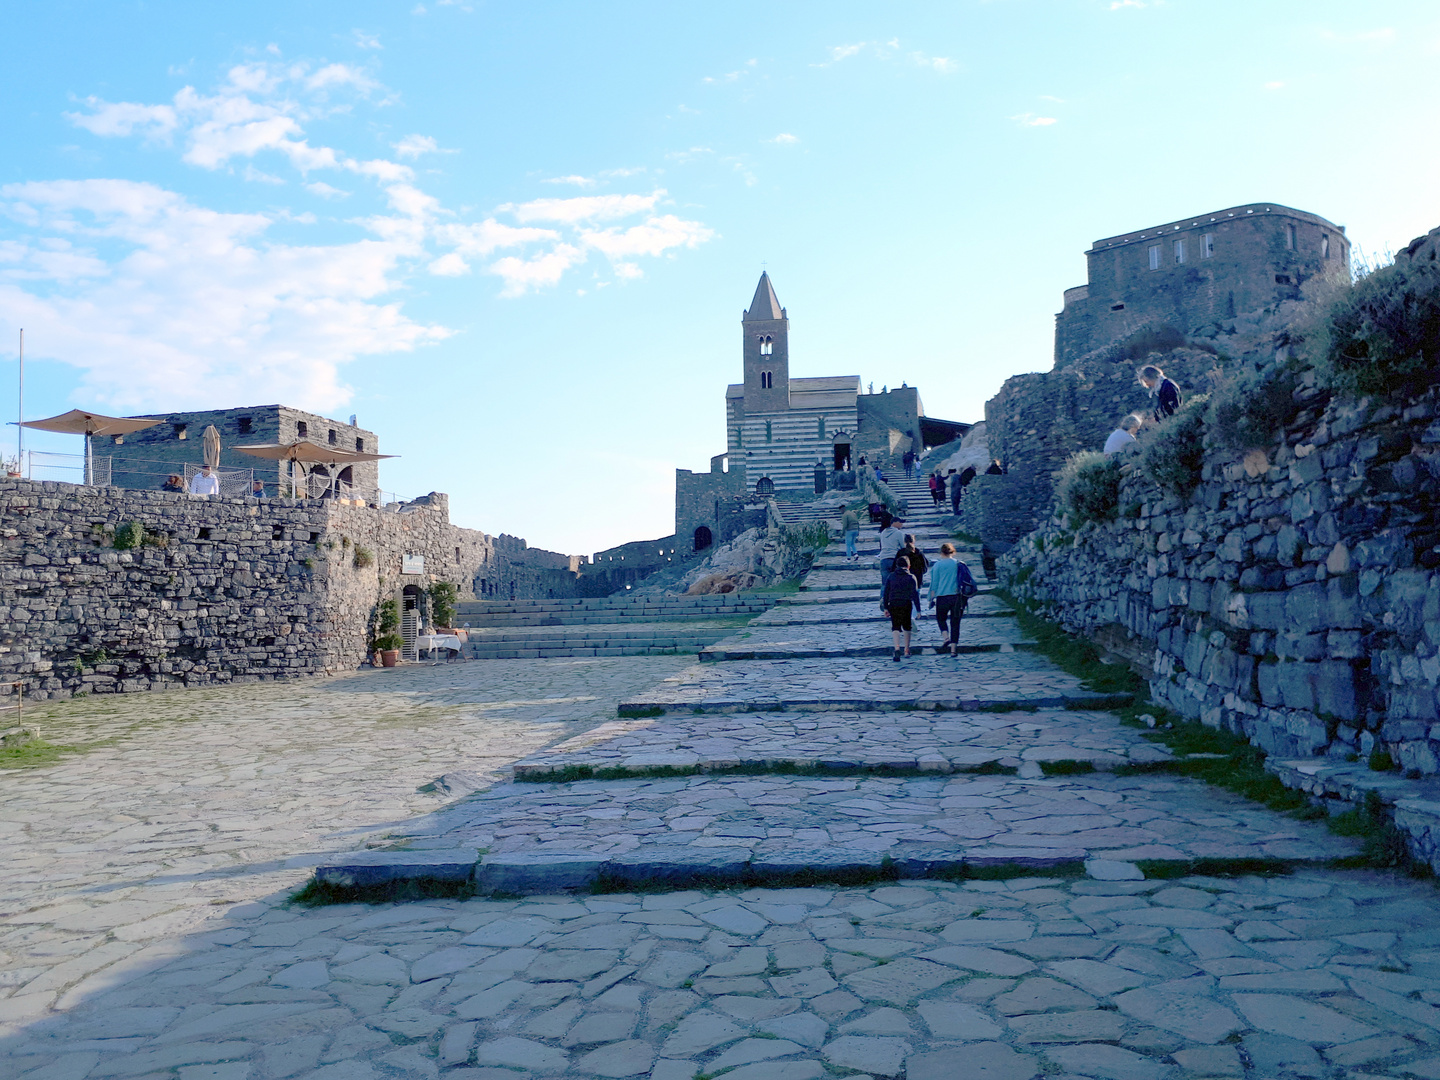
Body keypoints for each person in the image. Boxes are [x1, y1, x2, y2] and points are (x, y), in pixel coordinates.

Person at [928, 542, 977, 656]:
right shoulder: (958, 564)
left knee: (941, 619)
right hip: (956, 597)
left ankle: (946, 637)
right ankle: (953, 651)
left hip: (942, 597)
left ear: (941, 552)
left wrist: (931, 599)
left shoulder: (937, 566)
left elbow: (934, 584)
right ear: (952, 552)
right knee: (955, 623)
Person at [881, 555, 921, 661]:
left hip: (893, 603)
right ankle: (907, 649)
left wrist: (885, 607)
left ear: (897, 565)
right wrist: (918, 609)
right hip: (906, 603)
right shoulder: (911, 577)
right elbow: (915, 594)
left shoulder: (891, 576)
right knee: (907, 626)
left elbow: (886, 593)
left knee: (895, 626)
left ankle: (897, 648)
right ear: (908, 566)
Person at [878, 516, 906, 584]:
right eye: (900, 522)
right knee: (896, 582)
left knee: (885, 583)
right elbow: (903, 547)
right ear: (895, 523)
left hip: (883, 558)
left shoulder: (883, 532)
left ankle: (883, 595)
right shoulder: (899, 533)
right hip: (893, 558)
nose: (902, 524)